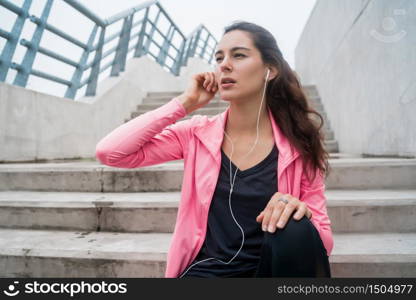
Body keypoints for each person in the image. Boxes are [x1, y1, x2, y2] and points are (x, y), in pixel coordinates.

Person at [95, 21, 333, 278]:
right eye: (219, 58)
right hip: (209, 273)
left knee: (296, 226)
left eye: (238, 55)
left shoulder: (299, 144)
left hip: (272, 270)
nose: (224, 65)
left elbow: (323, 243)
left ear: (270, 70)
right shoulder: (195, 134)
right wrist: (185, 103)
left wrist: (299, 210)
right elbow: (111, 152)